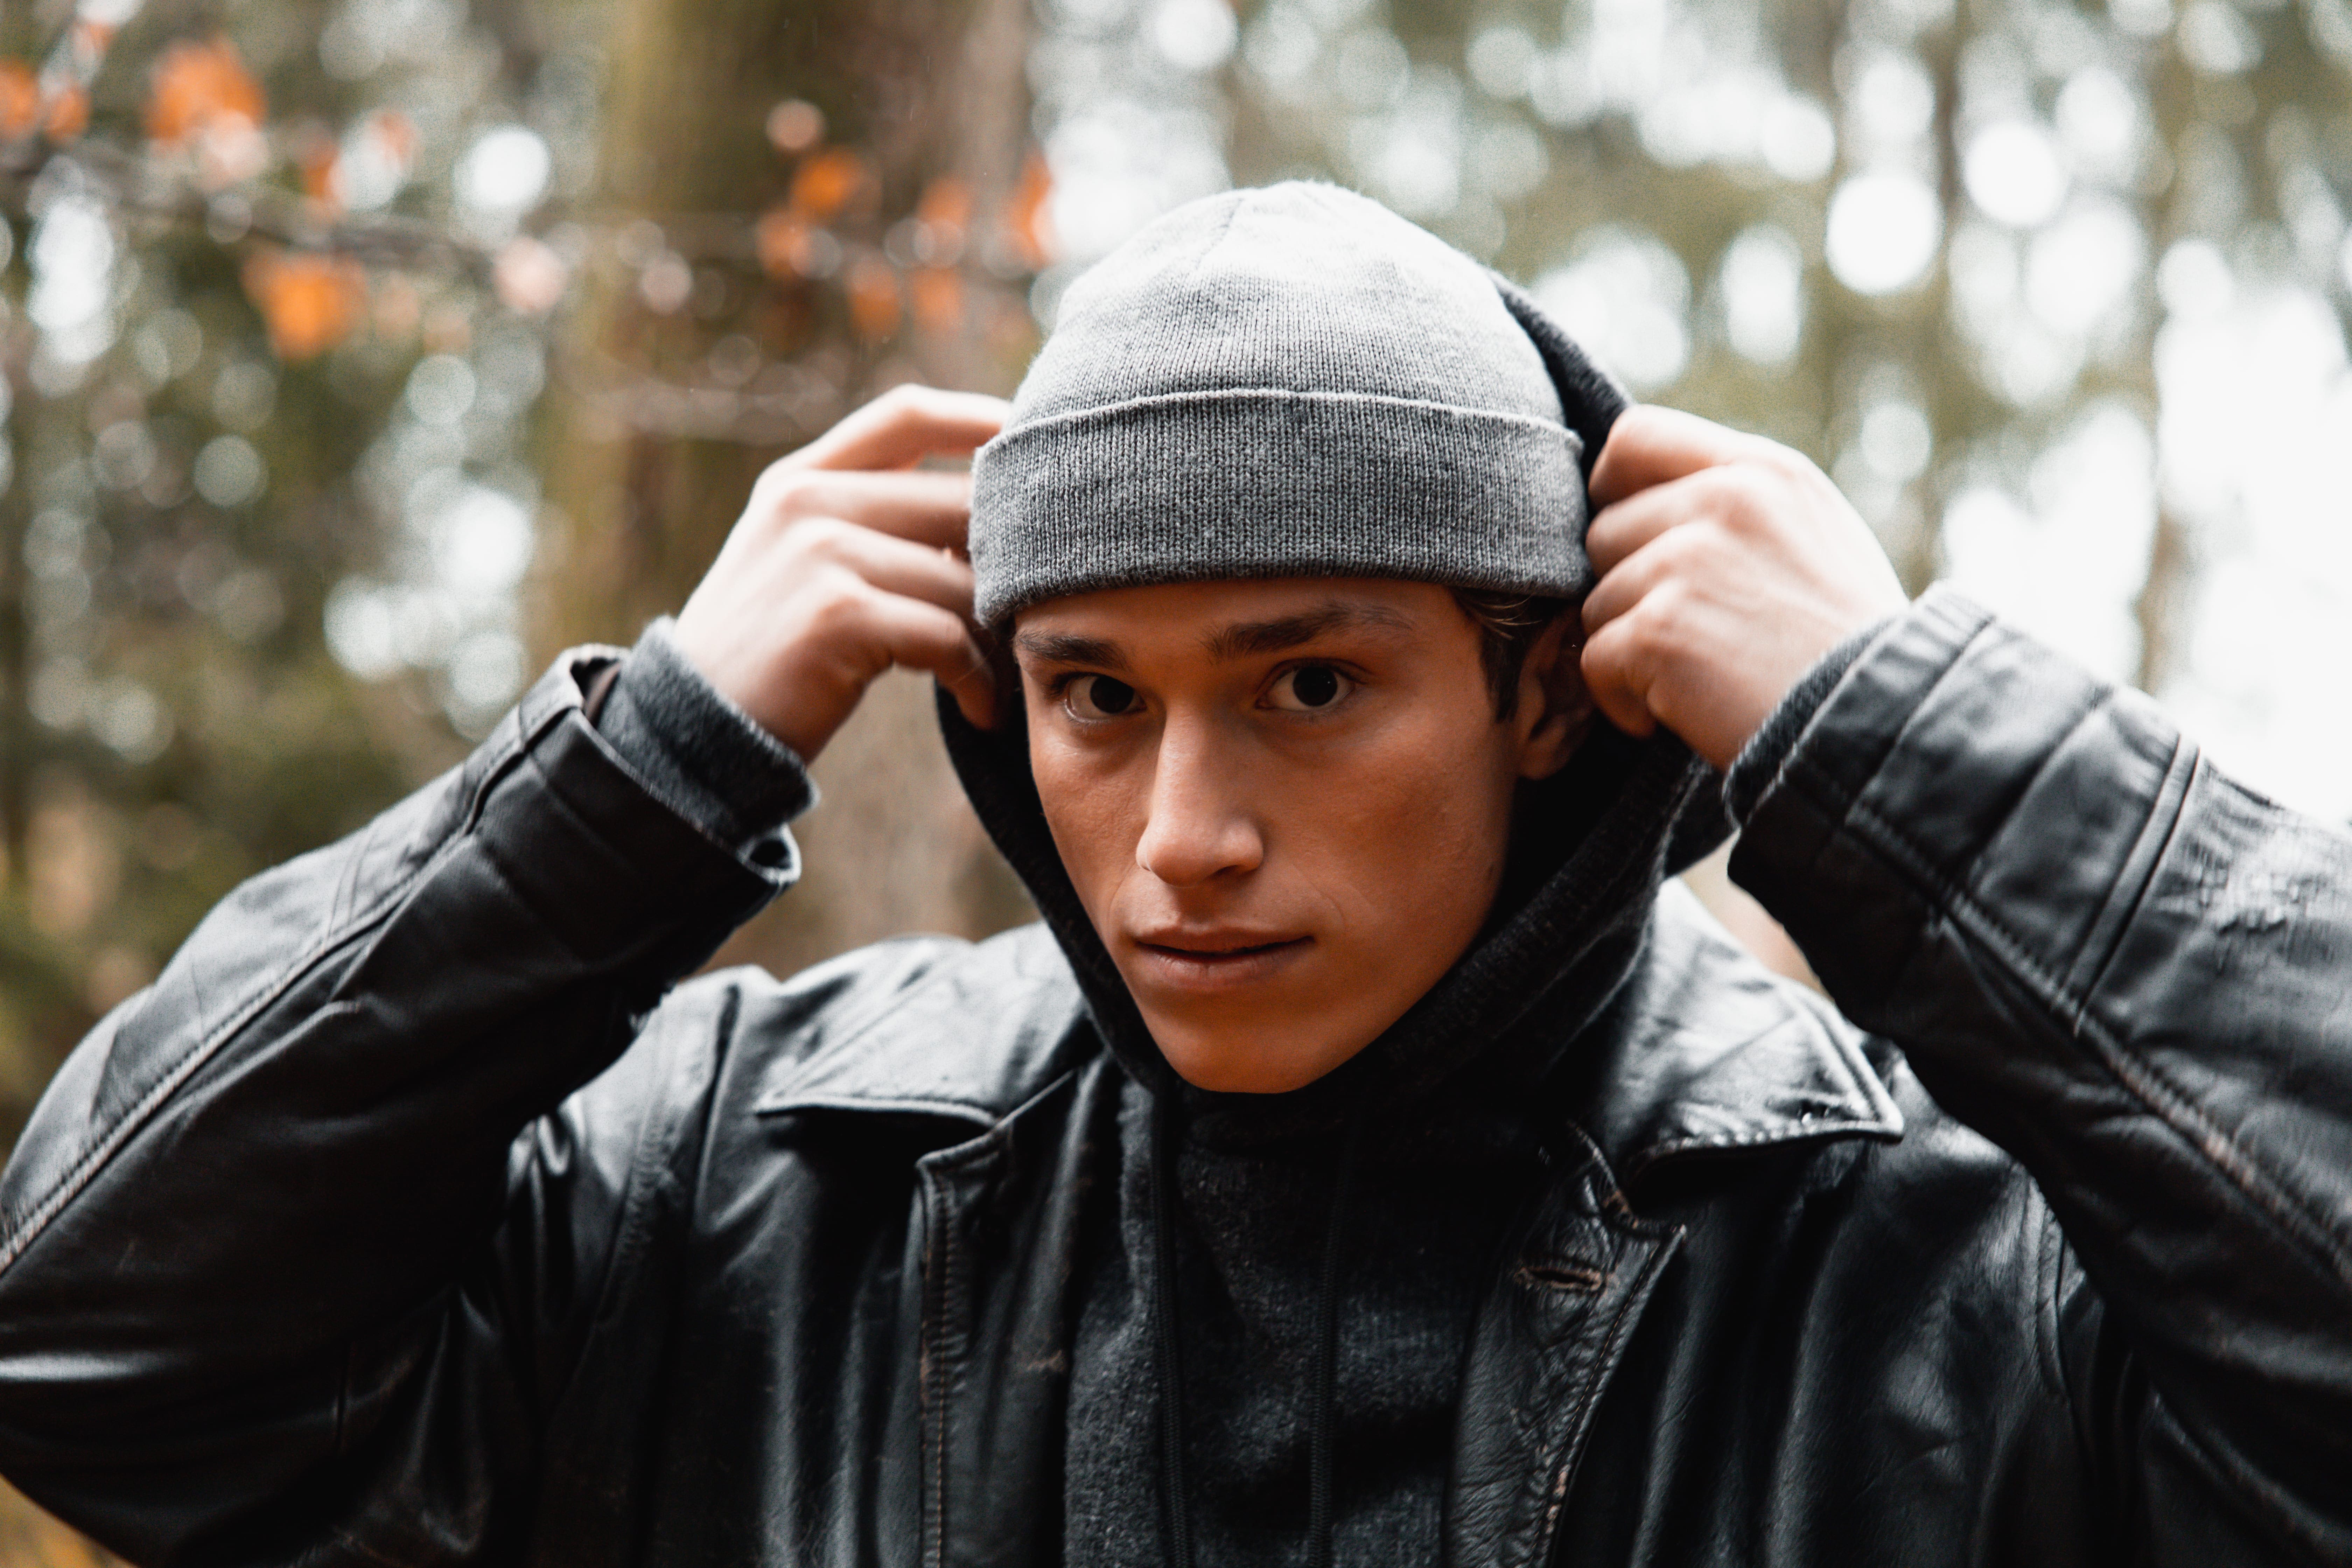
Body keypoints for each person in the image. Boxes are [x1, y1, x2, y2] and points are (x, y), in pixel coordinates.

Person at [0, 182, 2346, 1568]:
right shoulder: (753, 1186)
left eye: (1311, 687)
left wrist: (1909, 743)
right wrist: (640, 768)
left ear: (1546, 701)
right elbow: (94, 1340)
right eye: (1098, 695)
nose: (1185, 832)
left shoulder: (1925, 1262)